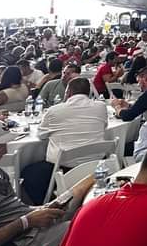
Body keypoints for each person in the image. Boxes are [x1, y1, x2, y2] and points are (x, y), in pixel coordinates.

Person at [21, 77, 109, 205]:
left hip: (64, 167)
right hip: (96, 164)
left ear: (68, 92)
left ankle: (49, 205)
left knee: (28, 173)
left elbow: (41, 135)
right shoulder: (101, 107)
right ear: (88, 92)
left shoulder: (55, 110)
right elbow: (104, 126)